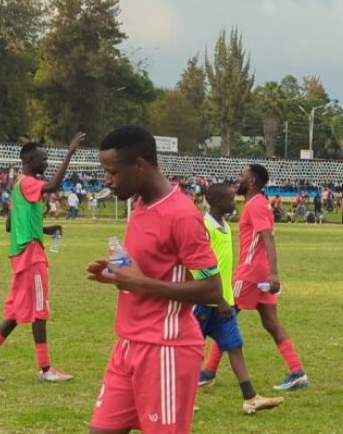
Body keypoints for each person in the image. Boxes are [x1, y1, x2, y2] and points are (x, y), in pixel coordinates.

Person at [86, 125, 224, 433]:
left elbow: (212, 288)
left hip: (166, 348)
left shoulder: (182, 215)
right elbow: (148, 270)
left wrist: (140, 283)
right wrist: (117, 275)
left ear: (139, 166)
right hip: (128, 344)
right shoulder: (140, 204)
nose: (107, 179)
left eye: (112, 171)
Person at [0, 132, 85, 383]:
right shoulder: (29, 183)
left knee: (15, 312)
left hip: (20, 253)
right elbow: (53, 186)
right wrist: (69, 153)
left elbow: (10, 225)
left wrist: (45, 229)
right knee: (39, 309)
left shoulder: (17, 186)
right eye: (43, 159)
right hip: (31, 255)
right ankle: (45, 370)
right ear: (30, 161)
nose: (46, 163)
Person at [194, 184, 284, 413]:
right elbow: (200, 268)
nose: (235, 203)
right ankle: (180, 397)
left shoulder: (223, 225)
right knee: (191, 351)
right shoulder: (204, 228)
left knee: (235, 345)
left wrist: (225, 299)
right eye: (231, 200)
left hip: (222, 302)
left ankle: (250, 397)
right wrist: (218, 299)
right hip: (204, 302)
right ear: (217, 202)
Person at [232, 165, 309, 391]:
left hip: (249, 272)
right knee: (271, 322)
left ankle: (207, 372)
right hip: (260, 271)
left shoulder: (255, 204)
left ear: (252, 181)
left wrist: (275, 274)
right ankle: (297, 371)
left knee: (223, 317)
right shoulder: (259, 203)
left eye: (242, 175)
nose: (238, 178)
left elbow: (268, 238)